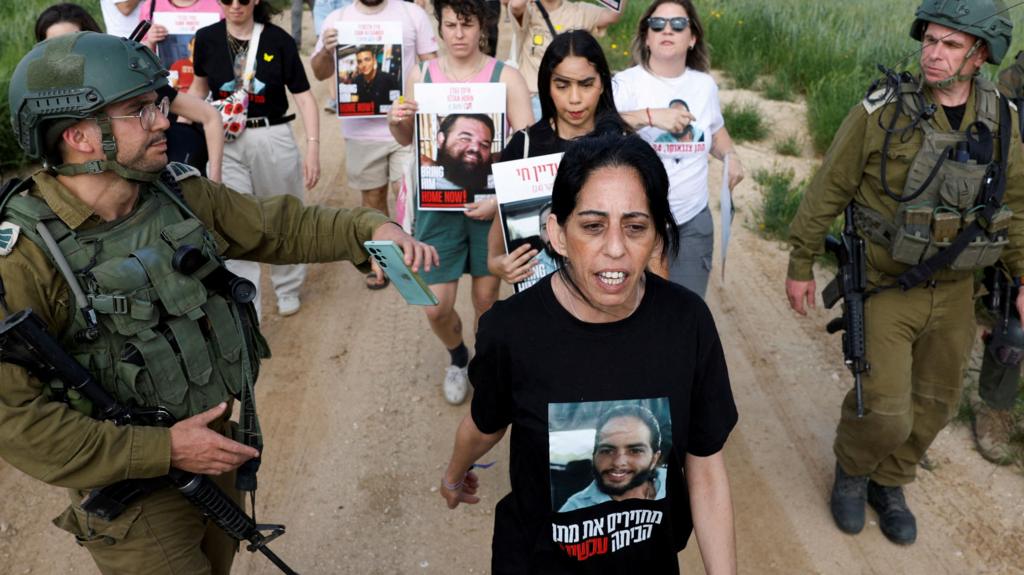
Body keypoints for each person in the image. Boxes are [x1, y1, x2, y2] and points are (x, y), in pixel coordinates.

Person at [0, 31, 435, 575]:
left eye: (159, 103)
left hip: (215, 455)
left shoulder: (176, 194)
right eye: (140, 111)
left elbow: (279, 227)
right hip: (133, 498)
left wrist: (370, 227)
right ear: (81, 136)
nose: (165, 120)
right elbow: (18, 423)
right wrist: (165, 451)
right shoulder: (23, 258)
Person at [440, 133, 737, 574]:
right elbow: (484, 424)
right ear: (557, 233)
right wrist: (453, 475)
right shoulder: (512, 329)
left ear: (657, 237)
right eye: (593, 226)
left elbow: (706, 466)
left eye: (635, 227)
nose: (615, 248)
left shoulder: (687, 323)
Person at [786, 0, 1024, 546]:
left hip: (958, 288)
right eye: (930, 41)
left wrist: (1021, 278)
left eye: (950, 44)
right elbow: (830, 187)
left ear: (980, 55)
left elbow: (1014, 203)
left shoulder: (1002, 117)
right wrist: (800, 260)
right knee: (888, 411)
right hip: (888, 285)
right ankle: (853, 469)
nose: (933, 54)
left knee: (936, 404)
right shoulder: (884, 110)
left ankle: (890, 481)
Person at [388, 0, 533, 405]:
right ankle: (458, 356)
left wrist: (499, 201)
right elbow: (407, 139)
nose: (457, 34)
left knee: (486, 301)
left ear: (483, 25)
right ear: (439, 26)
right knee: (436, 308)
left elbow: (528, 148)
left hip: (490, 209)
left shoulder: (507, 77)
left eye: (466, 25)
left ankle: (484, 366)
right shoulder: (423, 74)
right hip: (437, 209)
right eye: (449, 25)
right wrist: (396, 120)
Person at [190, 0, 321, 318]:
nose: (235, 5)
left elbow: (303, 96)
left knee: (281, 213)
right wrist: (176, 124)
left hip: (271, 135)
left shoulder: (279, 40)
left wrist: (314, 148)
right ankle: (246, 297)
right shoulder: (206, 38)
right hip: (224, 139)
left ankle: (287, 286)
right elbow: (198, 88)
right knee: (232, 218)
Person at [614, 0, 744, 298]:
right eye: (657, 24)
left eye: (678, 24)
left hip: (691, 223)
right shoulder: (626, 83)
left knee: (685, 314)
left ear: (692, 37)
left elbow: (714, 128)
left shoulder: (704, 85)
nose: (667, 30)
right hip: (636, 222)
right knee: (631, 314)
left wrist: (731, 155)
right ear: (646, 37)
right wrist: (650, 116)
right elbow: (601, 124)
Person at [487, 29, 630, 287]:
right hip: (542, 308)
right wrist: (499, 264)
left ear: (602, 84)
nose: (574, 99)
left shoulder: (623, 146)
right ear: (547, 86)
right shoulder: (524, 146)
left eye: (586, 84)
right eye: (562, 85)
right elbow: (496, 247)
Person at [311, 0, 439, 288]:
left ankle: (414, 257)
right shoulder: (338, 19)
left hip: (405, 128)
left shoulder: (411, 14)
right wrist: (327, 50)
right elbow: (319, 72)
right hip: (361, 133)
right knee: (372, 200)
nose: (365, 64)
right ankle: (382, 263)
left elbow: (432, 66)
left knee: (407, 195)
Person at [34, 2, 225, 182]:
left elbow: (209, 116)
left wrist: (216, 183)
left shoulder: (128, 82)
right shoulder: (39, 96)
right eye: (54, 45)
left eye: (74, 41)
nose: (66, 53)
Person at [505, 0, 625, 121]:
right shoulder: (529, 10)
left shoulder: (581, 11)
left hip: (569, 97)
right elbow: (516, 5)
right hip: (535, 98)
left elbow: (613, 14)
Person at [558, 404, 667, 513]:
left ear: (654, 459)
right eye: (607, 451)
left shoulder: (675, 482)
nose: (618, 462)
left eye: (635, 451)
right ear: (594, 455)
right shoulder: (575, 509)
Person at [420, 113, 497, 190]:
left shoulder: (497, 183)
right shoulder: (419, 178)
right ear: (441, 139)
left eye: (484, 145)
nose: (475, 148)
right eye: (465, 139)